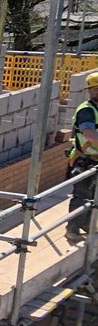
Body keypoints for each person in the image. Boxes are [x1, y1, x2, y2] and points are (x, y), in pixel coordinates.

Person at [66, 71, 98, 243]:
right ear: (90, 90)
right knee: (82, 195)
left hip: (94, 159)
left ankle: (86, 223)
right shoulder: (87, 111)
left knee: (93, 195)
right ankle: (72, 229)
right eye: (96, 89)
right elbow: (90, 134)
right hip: (84, 160)